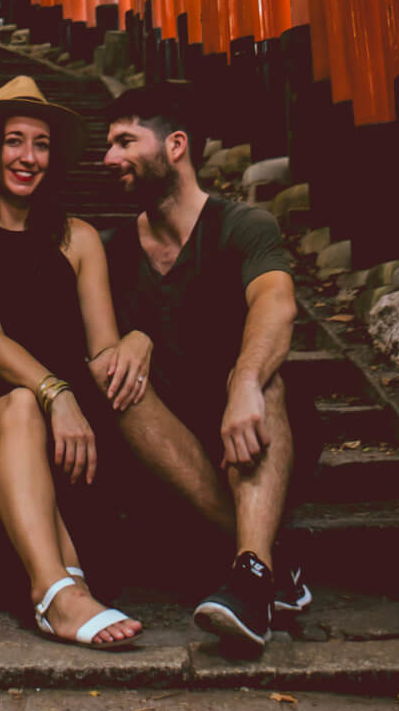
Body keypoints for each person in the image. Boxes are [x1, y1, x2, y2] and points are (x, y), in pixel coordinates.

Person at [0, 74, 143, 650]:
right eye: (15, 140)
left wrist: (140, 340)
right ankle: (54, 596)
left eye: (41, 144)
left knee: (29, 413)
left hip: (61, 446)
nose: (28, 157)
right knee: (19, 404)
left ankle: (68, 581)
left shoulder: (80, 239)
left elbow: (104, 349)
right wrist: (55, 394)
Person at [93, 80, 311, 654]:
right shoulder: (110, 250)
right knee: (119, 384)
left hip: (249, 434)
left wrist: (244, 383)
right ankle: (268, 567)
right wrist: (133, 338)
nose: (108, 158)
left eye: (123, 142)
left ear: (175, 146)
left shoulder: (244, 226)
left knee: (270, 381)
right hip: (163, 452)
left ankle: (252, 578)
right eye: (108, 145)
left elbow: (275, 303)